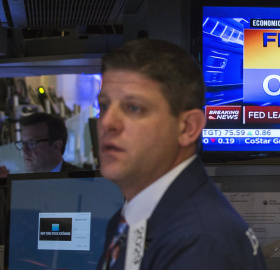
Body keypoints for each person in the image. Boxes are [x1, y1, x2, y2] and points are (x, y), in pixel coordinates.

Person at [96, 39, 266, 270]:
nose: (107, 122)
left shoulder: (201, 241)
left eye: (134, 108)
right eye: (104, 106)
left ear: (188, 128)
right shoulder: (130, 217)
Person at [15, 112, 83, 172]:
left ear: (56, 146)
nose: (24, 150)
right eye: (23, 143)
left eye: (31, 143)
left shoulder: (82, 182)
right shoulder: (21, 183)